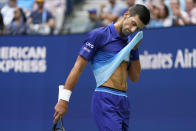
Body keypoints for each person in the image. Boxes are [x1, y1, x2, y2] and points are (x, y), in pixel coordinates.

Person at [54, 4, 150, 131]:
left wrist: (135, 50)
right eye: (133, 23)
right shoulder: (99, 35)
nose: (133, 30)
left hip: (123, 101)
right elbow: (78, 68)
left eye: (137, 28)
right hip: (105, 99)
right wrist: (63, 100)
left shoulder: (129, 43)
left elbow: (134, 77)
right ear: (126, 14)